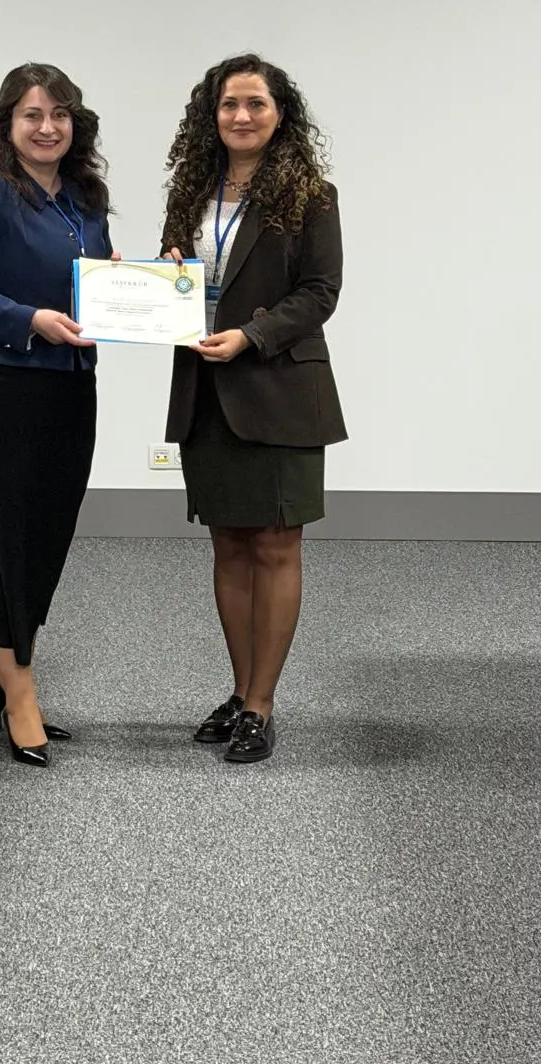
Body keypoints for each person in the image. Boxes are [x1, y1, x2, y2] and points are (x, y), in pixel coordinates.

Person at [161, 54, 345, 764]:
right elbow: (181, 278)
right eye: (229, 104)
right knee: (229, 545)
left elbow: (320, 292)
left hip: (279, 390)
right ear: (211, 116)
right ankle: (240, 694)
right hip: (206, 394)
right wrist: (153, 278)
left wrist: (250, 335)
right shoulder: (191, 193)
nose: (241, 116)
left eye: (256, 104)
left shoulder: (312, 196)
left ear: (280, 113)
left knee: (275, 545)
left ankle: (263, 704)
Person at [0, 63, 112, 768]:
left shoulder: (85, 195)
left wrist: (130, 286)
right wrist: (30, 319)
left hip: (70, 385)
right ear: (6, 123)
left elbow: (92, 283)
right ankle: (18, 690)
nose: (47, 128)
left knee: (47, 533)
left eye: (60, 114)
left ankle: (11, 670)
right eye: (32, 115)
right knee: (4, 534)